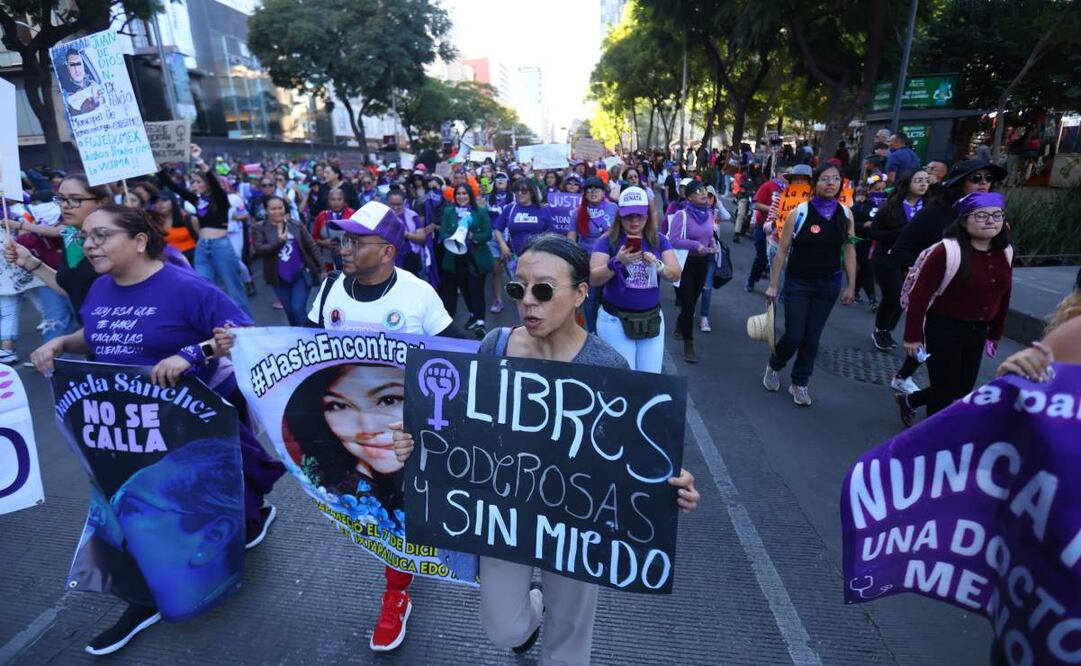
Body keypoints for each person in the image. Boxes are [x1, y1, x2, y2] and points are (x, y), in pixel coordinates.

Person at [388, 233, 700, 664]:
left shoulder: (608, 367)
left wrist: (670, 486)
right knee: (503, 625)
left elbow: (632, 456)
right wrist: (418, 444)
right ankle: (534, 612)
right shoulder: (495, 346)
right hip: (503, 513)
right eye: (518, 288)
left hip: (576, 522)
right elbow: (460, 430)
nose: (528, 301)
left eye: (544, 290)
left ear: (580, 295)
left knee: (570, 634)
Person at [27, 204, 282, 655]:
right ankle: (141, 601)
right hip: (118, 434)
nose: (88, 245)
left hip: (184, 436)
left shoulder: (185, 287)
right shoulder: (101, 289)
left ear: (140, 241)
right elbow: (97, 334)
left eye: (101, 235)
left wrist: (193, 353)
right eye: (86, 236)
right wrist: (61, 342)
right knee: (123, 517)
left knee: (178, 518)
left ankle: (235, 531)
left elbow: (242, 334)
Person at [305, 200, 452, 652]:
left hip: (405, 430)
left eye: (354, 241)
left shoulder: (418, 294)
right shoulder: (329, 289)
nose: (343, 247)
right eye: (342, 238)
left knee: (405, 508)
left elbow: (447, 362)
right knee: (379, 511)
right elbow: (306, 354)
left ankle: (397, 592)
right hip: (351, 431)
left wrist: (429, 424)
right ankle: (399, 580)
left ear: (388, 250)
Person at [895, 192, 1013, 426]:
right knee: (944, 387)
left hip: (978, 328)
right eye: (981, 215)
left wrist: (995, 332)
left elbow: (1004, 293)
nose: (991, 220)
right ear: (963, 220)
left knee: (963, 387)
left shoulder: (1006, 251)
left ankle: (910, 400)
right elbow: (920, 295)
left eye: (996, 215)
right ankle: (929, 438)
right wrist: (913, 337)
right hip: (943, 326)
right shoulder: (947, 251)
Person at [763, 164, 857, 406]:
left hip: (828, 285)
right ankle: (775, 365)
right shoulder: (799, 212)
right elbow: (782, 252)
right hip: (798, 283)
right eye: (825, 178)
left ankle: (800, 382)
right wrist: (774, 285)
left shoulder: (846, 214)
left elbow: (849, 250)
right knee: (794, 335)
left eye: (836, 179)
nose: (831, 183)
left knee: (811, 339)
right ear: (815, 183)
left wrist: (851, 286)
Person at [589, 187, 682, 372]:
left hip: (651, 319)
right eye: (628, 215)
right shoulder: (607, 241)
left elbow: (676, 273)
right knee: (624, 379)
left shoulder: (659, 240)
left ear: (647, 216)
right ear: (619, 217)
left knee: (650, 377)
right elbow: (593, 278)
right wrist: (617, 263)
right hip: (615, 320)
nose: (634, 220)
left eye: (639, 215)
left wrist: (659, 266)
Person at [157, 145, 252, 316]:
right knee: (203, 286)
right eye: (193, 181)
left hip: (220, 246)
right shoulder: (197, 200)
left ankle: (246, 324)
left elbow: (215, 183)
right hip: (202, 247)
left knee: (233, 287)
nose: (194, 185)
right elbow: (173, 187)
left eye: (198, 181)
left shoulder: (221, 199)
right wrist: (159, 168)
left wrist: (199, 159)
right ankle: (217, 323)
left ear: (207, 183)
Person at [4, 174, 109, 324]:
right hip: (94, 337)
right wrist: (29, 261)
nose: (65, 205)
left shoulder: (118, 240)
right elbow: (71, 288)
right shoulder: (71, 234)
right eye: (61, 198)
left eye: (75, 199)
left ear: (102, 201)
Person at [870, 169, 930, 354]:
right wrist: (900, 234)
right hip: (887, 256)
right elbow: (874, 232)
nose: (923, 184)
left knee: (905, 298)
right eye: (918, 180)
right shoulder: (892, 206)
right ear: (907, 183)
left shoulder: (929, 208)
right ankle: (880, 329)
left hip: (914, 259)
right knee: (894, 294)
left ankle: (887, 329)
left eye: (926, 181)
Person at [253, 196, 322, 326]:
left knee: (298, 308)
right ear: (266, 210)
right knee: (290, 310)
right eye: (273, 209)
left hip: (300, 273)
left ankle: (307, 339)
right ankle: (296, 338)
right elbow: (259, 249)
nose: (278, 211)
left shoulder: (295, 224)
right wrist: (278, 242)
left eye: (280, 208)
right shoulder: (259, 227)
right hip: (277, 277)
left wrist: (322, 267)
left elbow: (311, 245)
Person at [440, 184, 492, 336]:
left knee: (476, 289)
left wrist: (472, 237)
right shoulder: (449, 212)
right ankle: (472, 315)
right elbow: (443, 233)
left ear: (470, 195)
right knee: (464, 289)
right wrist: (453, 237)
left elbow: (487, 234)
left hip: (475, 258)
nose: (461, 196)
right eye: (458, 194)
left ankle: (480, 322)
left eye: (464, 193)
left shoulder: (480, 212)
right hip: (456, 258)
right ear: (454, 196)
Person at [568, 176, 618, 333]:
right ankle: (592, 332)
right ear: (584, 193)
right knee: (590, 298)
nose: (593, 192)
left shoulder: (613, 208)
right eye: (589, 189)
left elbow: (620, 231)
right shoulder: (578, 213)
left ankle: (612, 330)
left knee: (611, 295)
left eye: (597, 189)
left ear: (604, 192)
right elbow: (571, 238)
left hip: (612, 259)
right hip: (587, 261)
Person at [745, 168, 790, 292]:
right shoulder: (768, 186)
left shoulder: (792, 191)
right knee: (762, 256)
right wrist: (773, 209)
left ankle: (783, 291)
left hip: (783, 231)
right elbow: (756, 204)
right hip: (763, 225)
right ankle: (751, 280)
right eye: (787, 173)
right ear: (779, 174)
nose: (789, 177)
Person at [312, 188, 355, 272]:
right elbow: (313, 238)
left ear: (344, 200)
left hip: (349, 260)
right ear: (328, 201)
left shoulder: (352, 214)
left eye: (339, 199)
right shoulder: (321, 216)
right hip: (327, 261)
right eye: (333, 199)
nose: (336, 202)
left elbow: (360, 237)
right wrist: (323, 242)